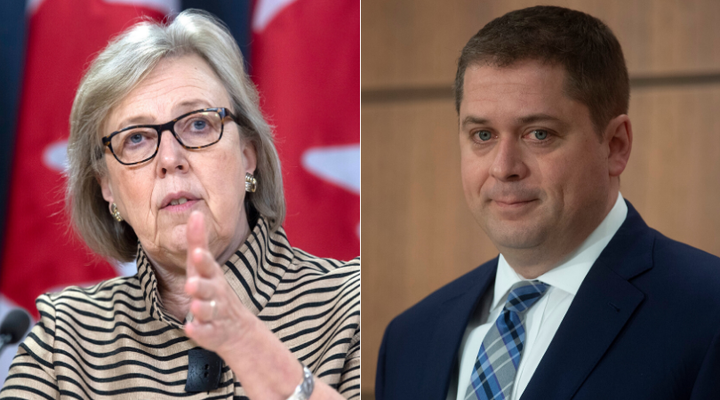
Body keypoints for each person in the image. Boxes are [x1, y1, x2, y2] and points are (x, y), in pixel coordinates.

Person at [0, 10, 359, 400]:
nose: (169, 158)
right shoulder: (65, 339)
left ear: (247, 156)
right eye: (135, 138)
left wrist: (247, 344)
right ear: (108, 189)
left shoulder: (351, 305)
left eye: (199, 124)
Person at [376, 6, 720, 400]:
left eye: (538, 134)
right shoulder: (409, 339)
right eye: (483, 135)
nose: (504, 168)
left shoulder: (708, 314)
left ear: (615, 146)